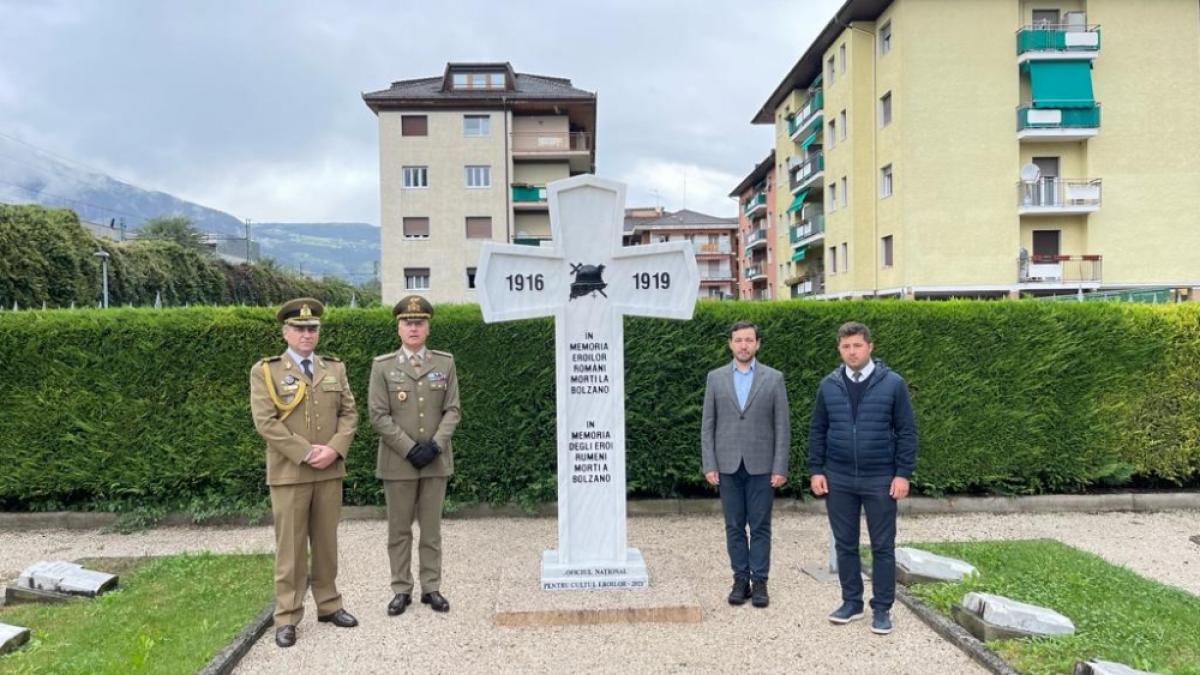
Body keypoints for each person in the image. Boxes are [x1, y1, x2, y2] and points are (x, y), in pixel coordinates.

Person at [249, 297, 359, 648]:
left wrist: (335, 448)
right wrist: (306, 452)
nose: (306, 334)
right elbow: (265, 422)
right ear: (286, 332)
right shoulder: (265, 371)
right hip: (290, 473)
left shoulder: (334, 369)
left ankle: (328, 605)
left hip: (329, 470)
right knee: (291, 549)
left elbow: (349, 414)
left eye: (312, 328)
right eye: (299, 328)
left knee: (326, 545)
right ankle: (287, 616)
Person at [808, 321, 917, 635]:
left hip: (880, 478)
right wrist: (816, 469)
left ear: (869, 346)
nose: (851, 351)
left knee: (883, 546)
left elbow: (906, 432)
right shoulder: (829, 385)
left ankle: (881, 608)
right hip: (839, 477)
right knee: (845, 544)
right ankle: (851, 602)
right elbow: (818, 430)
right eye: (845, 346)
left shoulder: (893, 383)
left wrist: (902, 474)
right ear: (839, 349)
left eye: (857, 345)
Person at [369, 295, 461, 616]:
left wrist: (435, 445)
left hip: (435, 461)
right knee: (399, 530)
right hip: (398, 463)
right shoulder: (383, 366)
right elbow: (378, 416)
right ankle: (401, 589)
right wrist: (409, 448)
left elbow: (453, 410)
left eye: (419, 322)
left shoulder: (444, 363)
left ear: (428, 328)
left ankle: (431, 587)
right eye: (407, 323)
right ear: (398, 328)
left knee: (432, 530)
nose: (413, 327)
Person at [700, 320, 791, 608]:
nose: (743, 345)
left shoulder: (773, 378)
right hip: (726, 465)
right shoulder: (715, 379)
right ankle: (740, 579)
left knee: (761, 525)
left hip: (762, 465)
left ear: (757, 343)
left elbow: (782, 426)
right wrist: (709, 463)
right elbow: (708, 425)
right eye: (738, 340)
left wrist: (780, 466)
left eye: (749, 340)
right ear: (730, 344)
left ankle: (760, 581)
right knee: (734, 525)